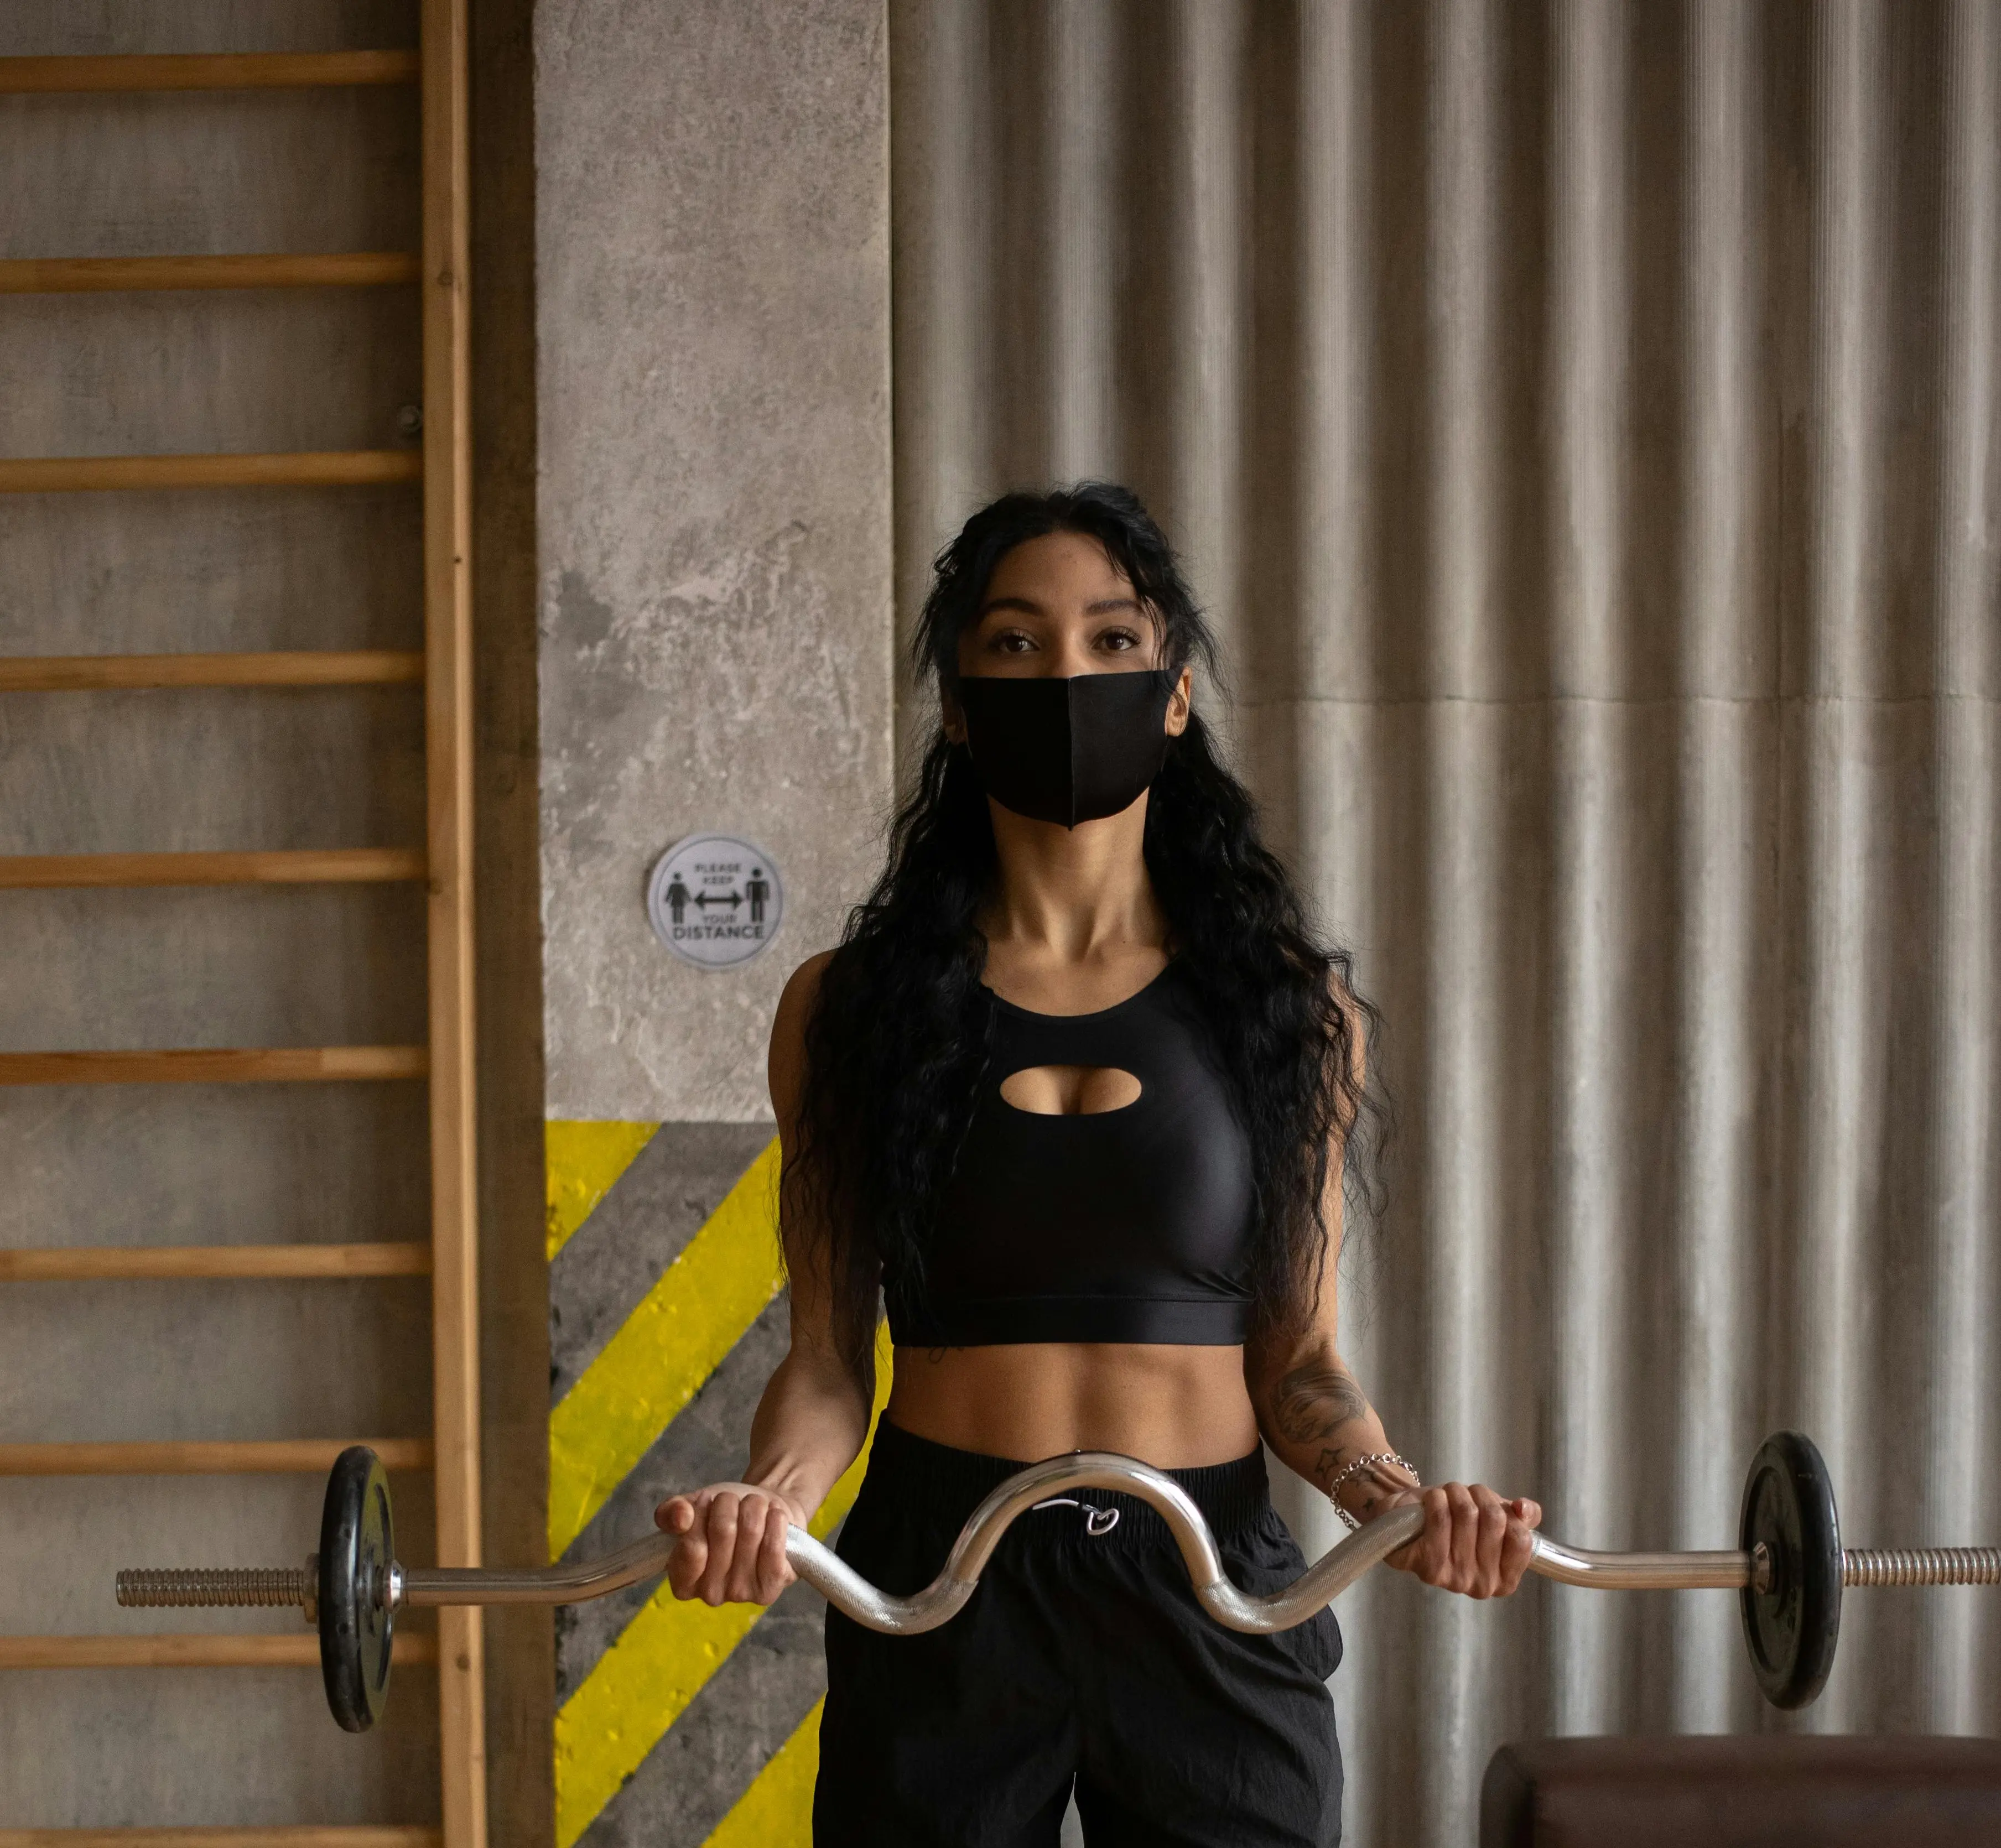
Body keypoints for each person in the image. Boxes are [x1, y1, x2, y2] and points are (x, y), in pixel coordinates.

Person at [656, 484, 1542, 1846]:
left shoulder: (1287, 1009)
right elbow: (830, 1356)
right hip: (941, 1576)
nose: (1064, 673)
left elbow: (1298, 1363)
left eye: (1110, 640)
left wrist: (1394, 1499)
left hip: (1209, 1585)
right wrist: (768, 1506)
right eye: (1012, 642)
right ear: (956, 702)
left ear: (1173, 691)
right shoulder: (845, 1010)